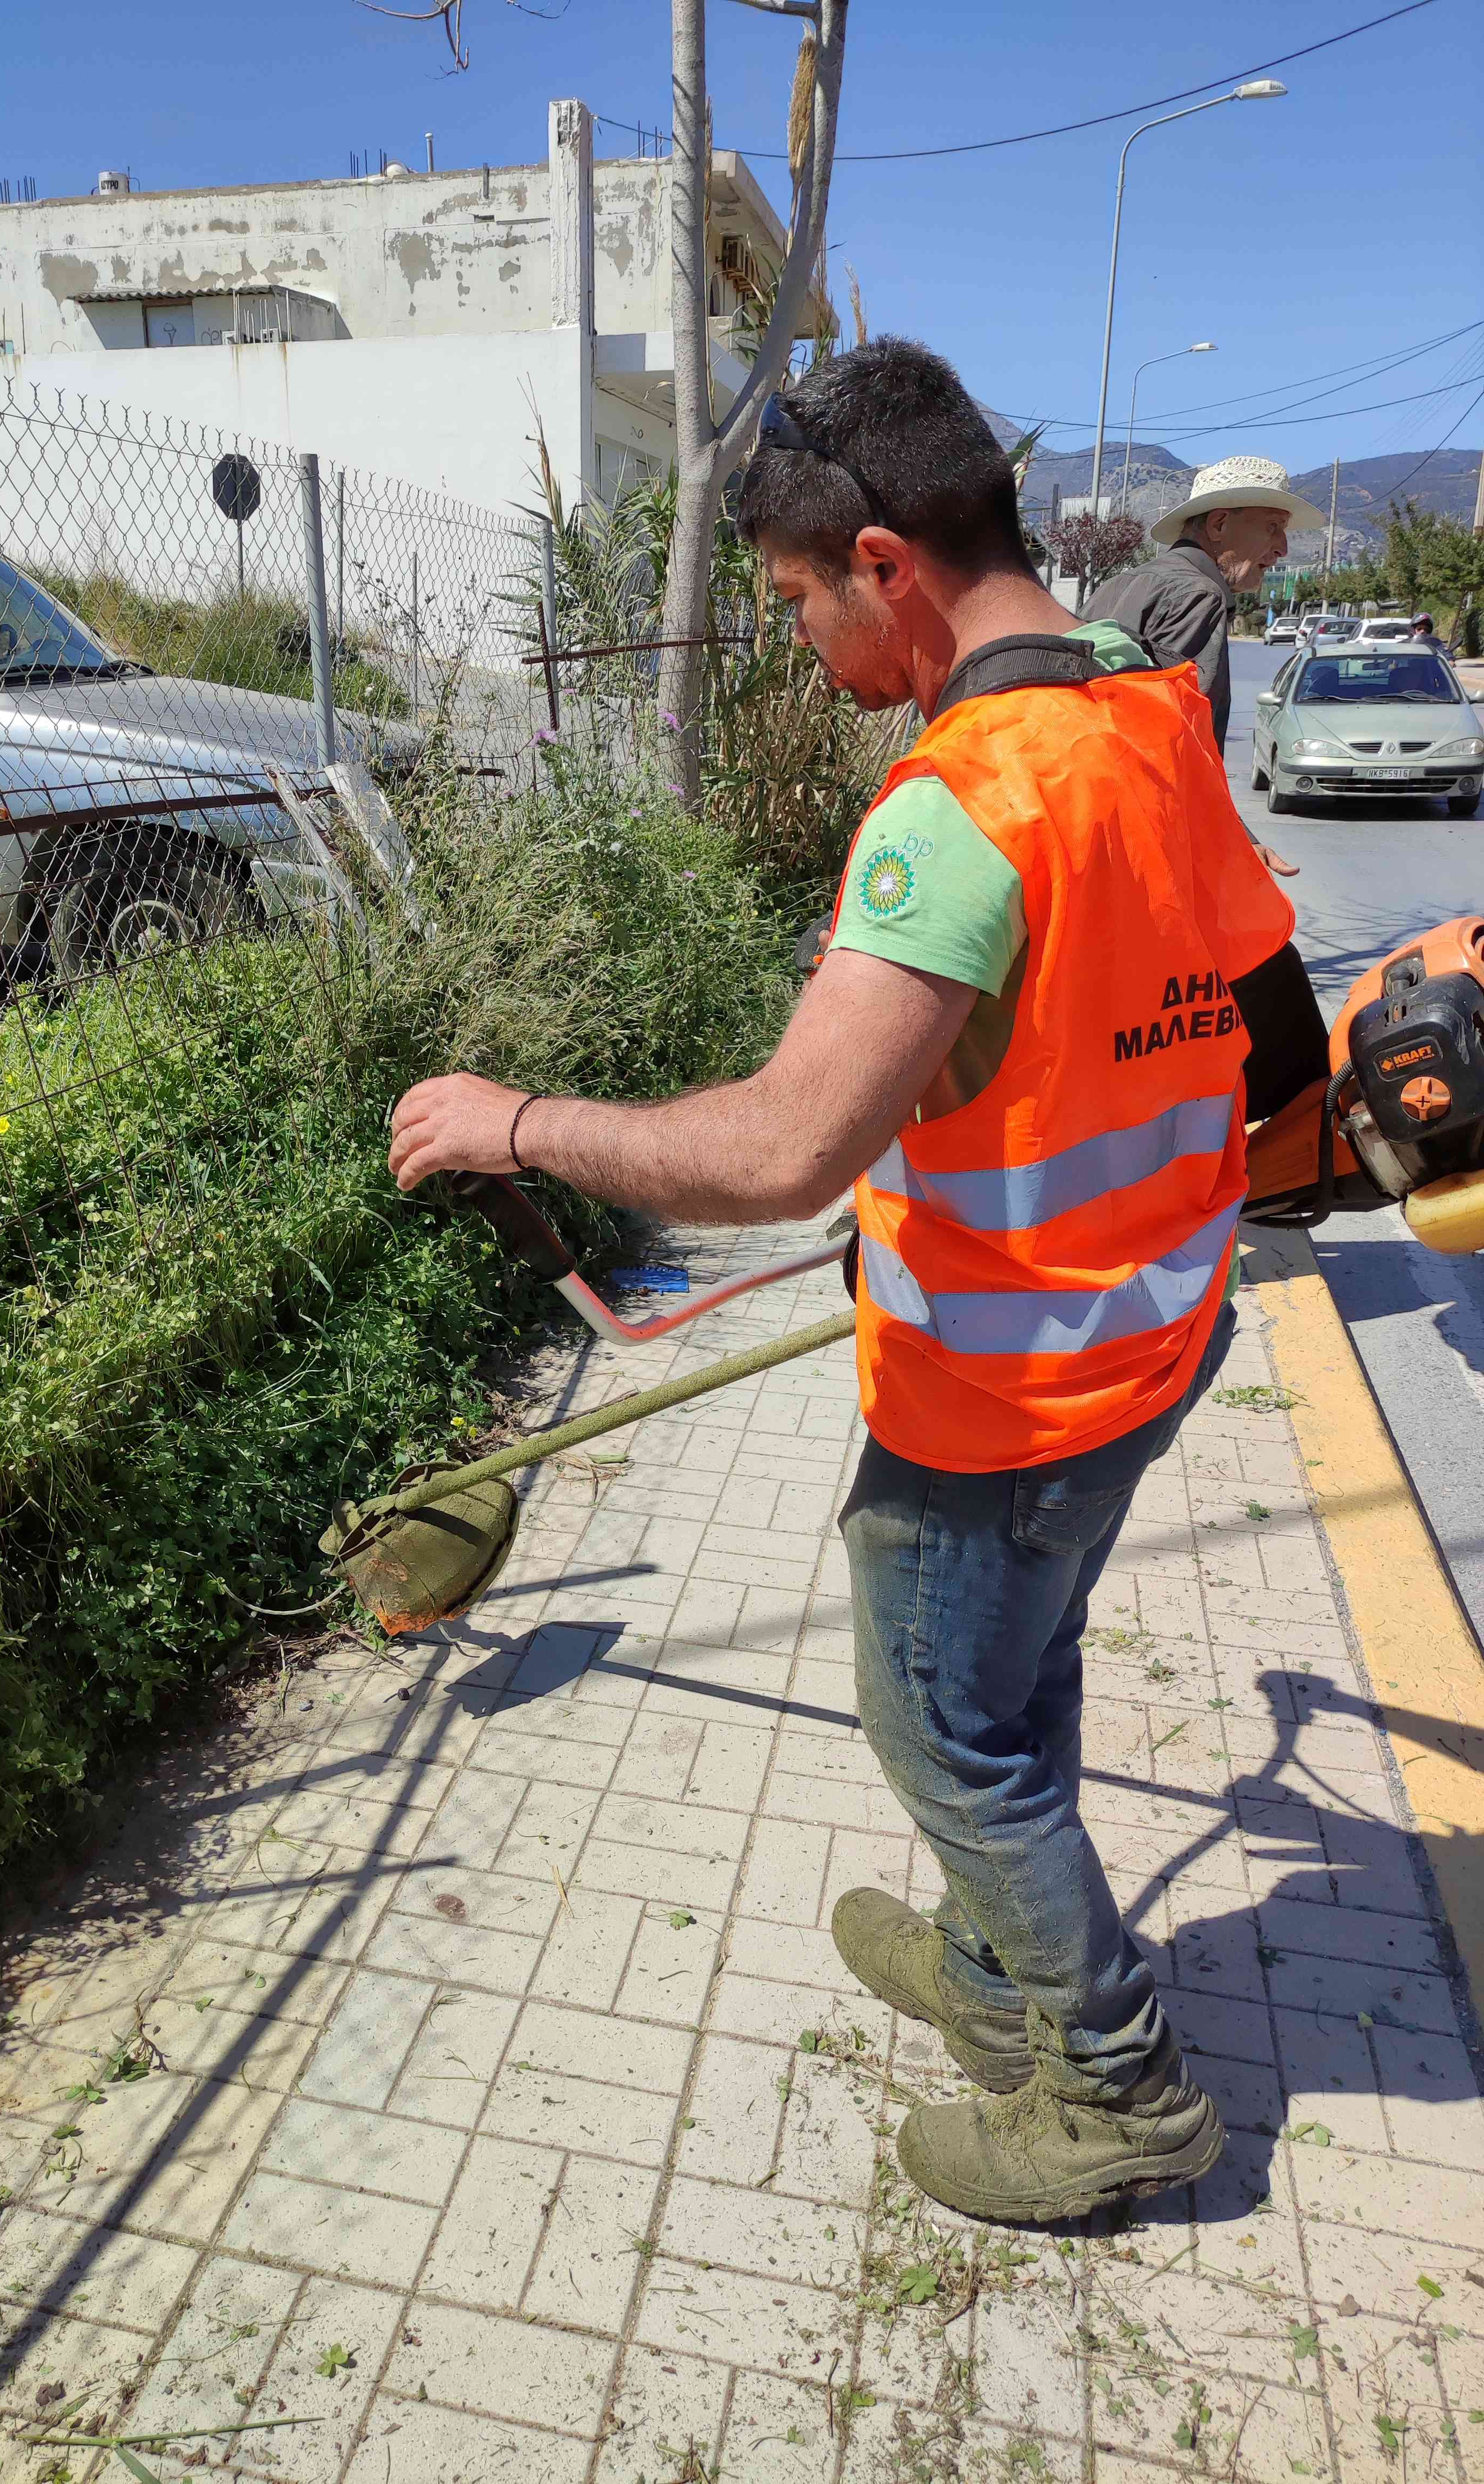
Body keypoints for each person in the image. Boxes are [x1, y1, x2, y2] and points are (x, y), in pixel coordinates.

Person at [390, 337, 1322, 2226]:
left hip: (1002, 1402)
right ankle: (996, 1982)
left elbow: (780, 1150)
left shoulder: (959, 806)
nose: (803, 639)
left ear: (890, 563)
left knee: (943, 1733)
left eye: (801, 598)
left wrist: (519, 1119)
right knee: (1024, 1672)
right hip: (1153, 1346)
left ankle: (1116, 2085)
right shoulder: (1150, 722)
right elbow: (1278, 1042)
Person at [1083, 454, 1325, 878]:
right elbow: (1178, 746)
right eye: (1273, 527)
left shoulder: (1120, 584)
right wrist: (1233, 839)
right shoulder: (1199, 595)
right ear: (1218, 525)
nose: (1283, 548)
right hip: (1139, 843)